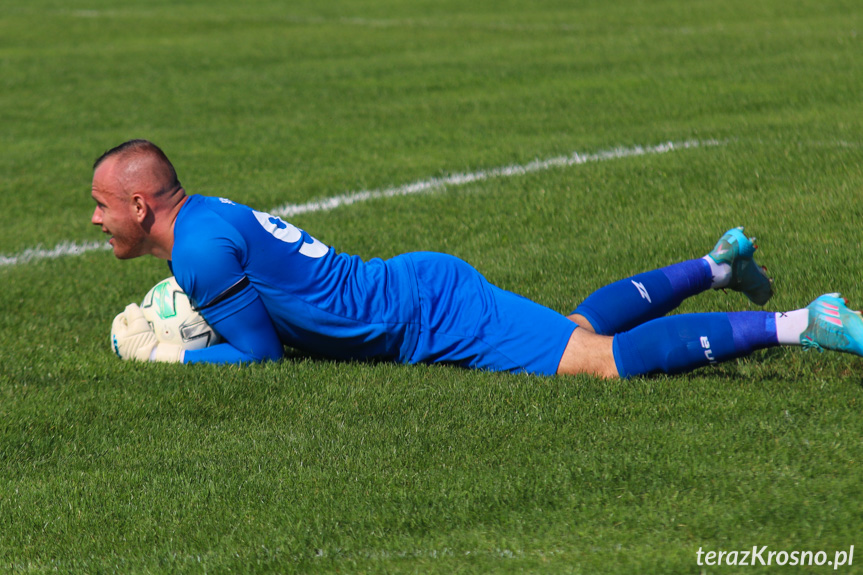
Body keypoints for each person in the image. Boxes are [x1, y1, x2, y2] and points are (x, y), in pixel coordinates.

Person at [93, 139, 863, 378]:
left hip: (426, 313)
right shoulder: (205, 222)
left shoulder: (196, 250)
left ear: (139, 205)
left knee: (595, 362)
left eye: (101, 204)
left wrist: (166, 352)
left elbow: (260, 355)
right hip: (417, 290)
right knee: (568, 329)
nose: (95, 220)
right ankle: (718, 265)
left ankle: (800, 322)